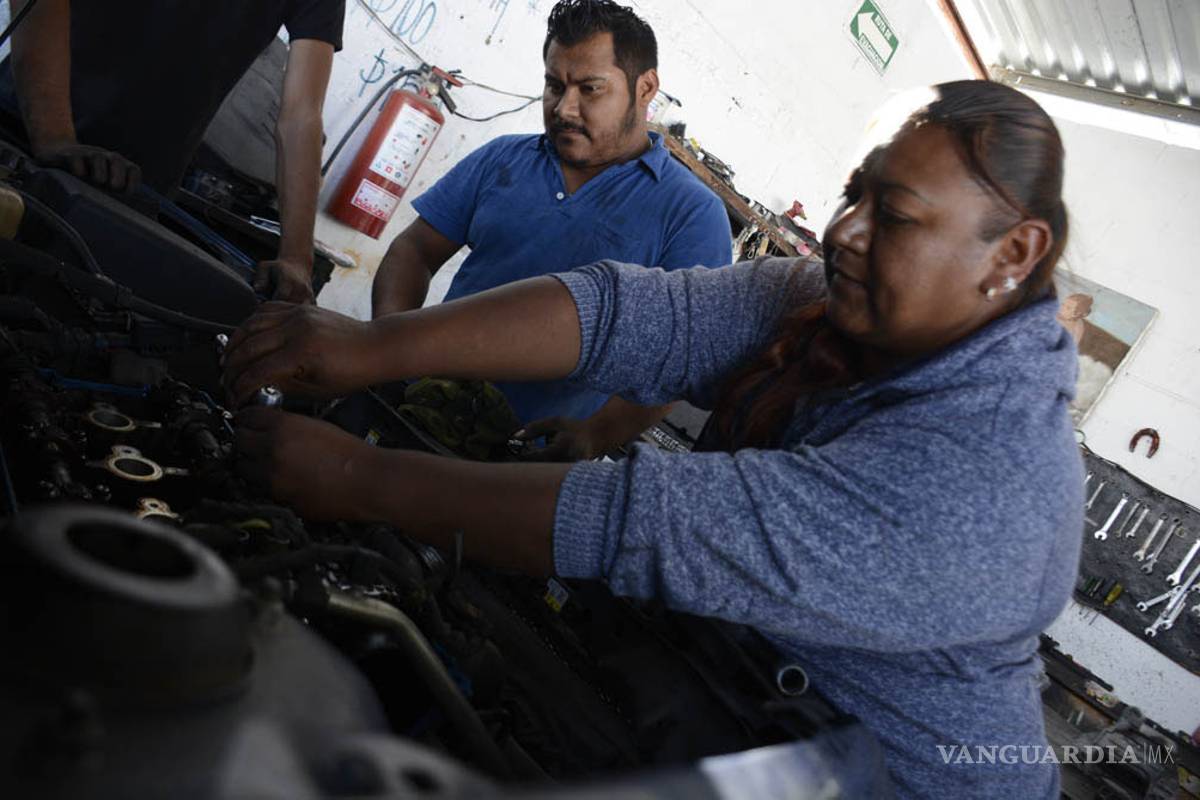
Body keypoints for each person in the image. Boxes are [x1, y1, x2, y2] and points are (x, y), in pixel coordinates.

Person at [223, 80, 1082, 798]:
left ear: (1014, 253)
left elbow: (651, 521)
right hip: (735, 689)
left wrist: (357, 477)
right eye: (854, 192)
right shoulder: (820, 303)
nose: (846, 230)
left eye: (892, 216)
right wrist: (373, 349)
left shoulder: (994, 482)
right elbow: (634, 314)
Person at [370, 0, 732, 460]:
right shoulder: (502, 159)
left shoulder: (691, 214)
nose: (565, 108)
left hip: (531, 463)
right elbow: (416, 249)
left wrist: (597, 434)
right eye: (553, 85)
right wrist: (385, 347)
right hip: (421, 412)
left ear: (646, 88)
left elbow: (678, 361)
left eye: (590, 88)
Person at [4, 0, 344, 303]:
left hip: (130, 191)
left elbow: (301, 114)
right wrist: (56, 136)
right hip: (22, 140)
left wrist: (298, 259)